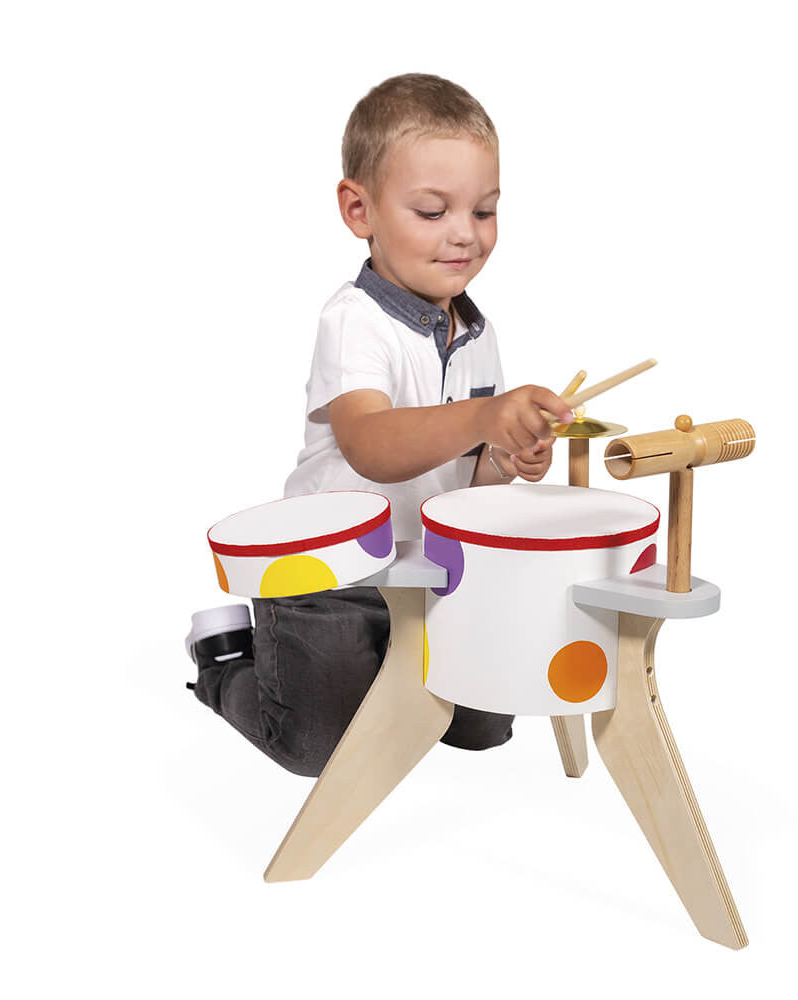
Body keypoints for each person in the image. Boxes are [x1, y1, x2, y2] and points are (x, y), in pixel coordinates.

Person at [185, 73, 574, 777]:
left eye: (484, 210)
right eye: (432, 211)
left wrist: (505, 457)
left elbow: (466, 480)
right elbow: (371, 445)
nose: (465, 233)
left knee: (485, 725)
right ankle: (226, 662)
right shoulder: (353, 322)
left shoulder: (477, 331)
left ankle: (388, 681)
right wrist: (485, 414)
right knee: (320, 748)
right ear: (359, 210)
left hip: (425, 571)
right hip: (330, 575)